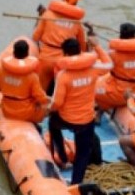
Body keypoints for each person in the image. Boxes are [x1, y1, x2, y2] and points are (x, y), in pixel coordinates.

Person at [48, 36, 113, 184]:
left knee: (52, 124)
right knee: (83, 153)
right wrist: (97, 46)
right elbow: (109, 64)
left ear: (64, 54)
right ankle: (76, 184)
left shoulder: (63, 75)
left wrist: (48, 109)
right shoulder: (94, 68)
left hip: (66, 119)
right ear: (80, 51)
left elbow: (57, 103)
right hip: (86, 120)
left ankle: (63, 158)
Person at [33, 0, 88, 95]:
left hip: (45, 59)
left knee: (41, 91)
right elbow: (82, 47)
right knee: (60, 90)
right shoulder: (76, 23)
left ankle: (40, 108)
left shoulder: (48, 15)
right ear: (76, 3)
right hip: (63, 63)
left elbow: (35, 37)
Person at [0, 38, 50, 123]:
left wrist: (4, 87)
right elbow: (41, 98)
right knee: (49, 107)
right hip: (26, 113)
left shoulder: (1, 70)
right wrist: (49, 101)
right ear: (27, 54)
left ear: (13, 53)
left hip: (7, 111)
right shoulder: (32, 76)